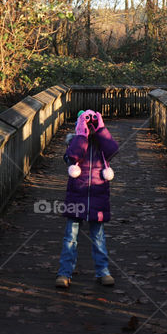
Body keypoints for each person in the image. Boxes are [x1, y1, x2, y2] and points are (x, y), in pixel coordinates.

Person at [55, 109, 119, 289]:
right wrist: (81, 133)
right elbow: (72, 156)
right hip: (77, 197)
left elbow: (113, 150)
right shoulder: (75, 143)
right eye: (86, 124)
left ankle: (103, 272)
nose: (89, 128)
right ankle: (64, 273)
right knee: (70, 237)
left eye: (91, 124)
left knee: (98, 237)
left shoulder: (103, 146)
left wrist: (100, 128)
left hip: (98, 198)